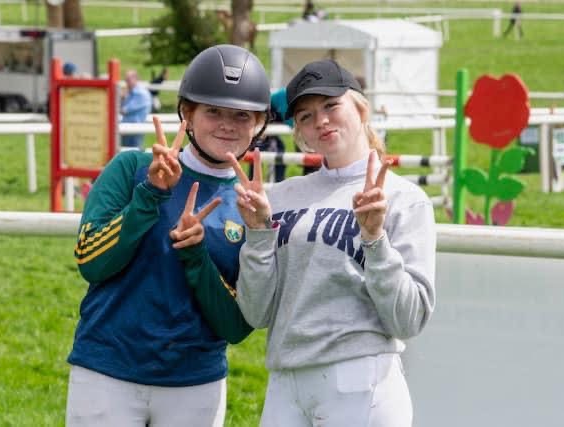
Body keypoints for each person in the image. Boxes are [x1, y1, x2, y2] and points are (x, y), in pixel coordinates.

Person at [65, 44, 271, 426]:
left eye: (241, 115)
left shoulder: (254, 206)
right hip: (106, 371)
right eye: (213, 111)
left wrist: (196, 255)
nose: (227, 124)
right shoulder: (131, 168)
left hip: (195, 383)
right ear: (187, 113)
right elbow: (91, 262)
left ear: (259, 123)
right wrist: (149, 195)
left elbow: (237, 325)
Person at [228, 59, 436, 427]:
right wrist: (258, 233)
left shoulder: (403, 198)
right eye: (306, 116)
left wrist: (375, 240)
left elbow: (409, 319)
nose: (321, 121)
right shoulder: (278, 197)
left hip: (361, 379)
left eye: (331, 105)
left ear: (361, 109)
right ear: (299, 132)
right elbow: (256, 313)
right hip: (285, 382)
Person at [120, 69, 152, 149]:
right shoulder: (131, 93)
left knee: (132, 152)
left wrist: (121, 97)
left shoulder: (140, 94)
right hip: (128, 129)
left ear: (136, 79)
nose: (126, 82)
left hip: (134, 129)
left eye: (128, 80)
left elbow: (123, 110)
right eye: (126, 80)